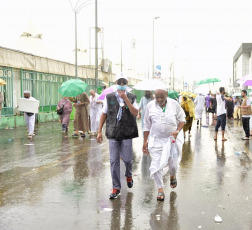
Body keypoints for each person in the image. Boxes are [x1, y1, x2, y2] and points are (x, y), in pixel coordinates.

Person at [97, 72, 138, 199]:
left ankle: (129, 174)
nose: (121, 84)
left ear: (127, 84)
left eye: (123, 82)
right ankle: (116, 188)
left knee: (127, 159)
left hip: (127, 132)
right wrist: (99, 131)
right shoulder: (109, 97)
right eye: (119, 82)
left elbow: (135, 113)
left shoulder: (132, 97)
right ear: (115, 83)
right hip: (113, 132)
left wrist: (126, 99)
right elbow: (104, 114)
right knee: (114, 160)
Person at [142, 89, 185, 201]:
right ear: (154, 96)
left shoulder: (174, 104)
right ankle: (160, 190)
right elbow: (146, 125)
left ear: (166, 95)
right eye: (157, 97)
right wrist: (145, 141)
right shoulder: (150, 106)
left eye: (162, 97)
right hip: (156, 140)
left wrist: (177, 131)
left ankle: (172, 175)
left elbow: (182, 119)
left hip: (171, 140)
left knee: (173, 165)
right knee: (155, 166)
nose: (160, 99)